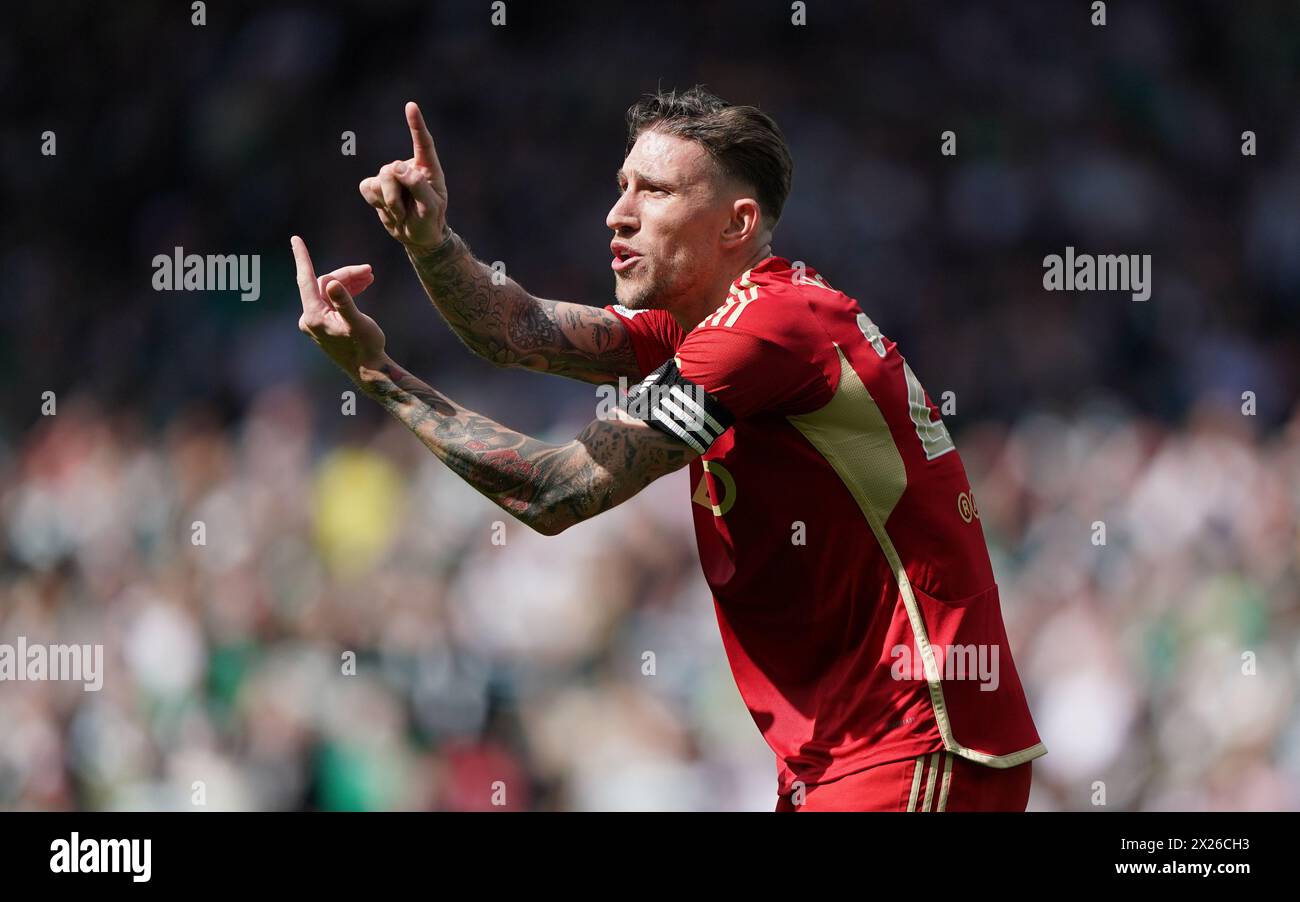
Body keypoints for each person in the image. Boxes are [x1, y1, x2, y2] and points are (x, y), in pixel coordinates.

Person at [293, 86, 1045, 811]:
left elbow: (555, 491)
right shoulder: (712, 323)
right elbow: (516, 330)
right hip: (848, 757)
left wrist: (378, 376)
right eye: (622, 187)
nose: (617, 214)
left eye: (652, 192)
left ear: (735, 223)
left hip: (914, 743)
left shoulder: (765, 332)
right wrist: (429, 240)